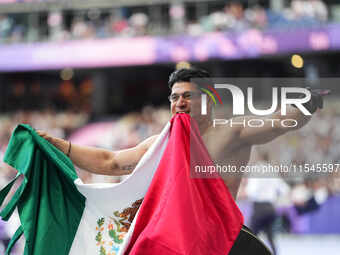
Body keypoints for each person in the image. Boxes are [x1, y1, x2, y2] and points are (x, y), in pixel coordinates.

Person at [37, 67, 324, 200]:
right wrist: (58, 145)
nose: (179, 103)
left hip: (219, 239)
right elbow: (110, 162)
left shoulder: (231, 132)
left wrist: (307, 102)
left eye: (188, 96)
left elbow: (279, 120)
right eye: (174, 98)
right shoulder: (162, 141)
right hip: (175, 241)